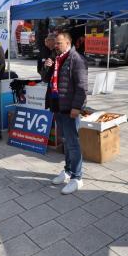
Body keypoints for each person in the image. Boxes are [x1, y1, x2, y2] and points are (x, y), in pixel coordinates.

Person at [42, 32, 87, 195]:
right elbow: (46, 79)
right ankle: (68, 171)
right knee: (65, 141)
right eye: (55, 43)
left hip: (69, 108)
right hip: (56, 106)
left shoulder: (77, 59)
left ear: (68, 43)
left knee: (73, 143)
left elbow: (82, 86)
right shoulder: (56, 57)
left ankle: (77, 178)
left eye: (59, 43)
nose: (56, 45)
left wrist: (77, 107)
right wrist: (47, 66)